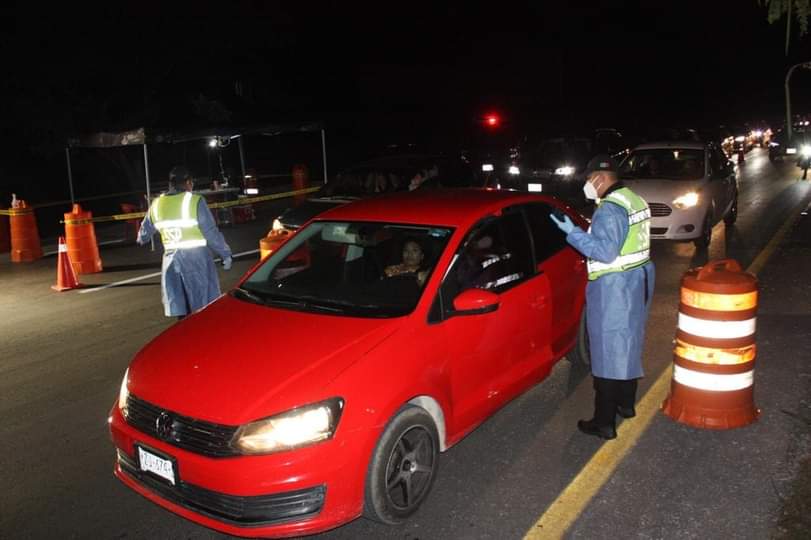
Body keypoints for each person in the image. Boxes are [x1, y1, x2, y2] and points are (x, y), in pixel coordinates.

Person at [550, 154, 655, 440]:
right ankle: (625, 404)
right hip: (638, 279)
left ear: (600, 178)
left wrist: (573, 234)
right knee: (629, 342)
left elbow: (605, 252)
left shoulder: (610, 209)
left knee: (608, 352)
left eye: (588, 179)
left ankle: (604, 421)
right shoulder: (634, 199)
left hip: (615, 288)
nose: (587, 184)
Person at [138, 166, 233, 320]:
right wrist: (225, 254)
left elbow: (144, 231)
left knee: (181, 305)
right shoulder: (194, 201)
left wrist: (142, 239)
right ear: (188, 182)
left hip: (170, 262)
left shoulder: (157, 203)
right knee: (202, 305)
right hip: (196, 260)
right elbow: (210, 231)